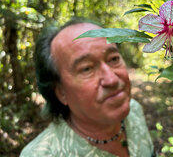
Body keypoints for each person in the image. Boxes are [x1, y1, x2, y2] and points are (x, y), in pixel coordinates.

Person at [20, 18, 155, 157]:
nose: (112, 79)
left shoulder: (134, 111)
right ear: (61, 92)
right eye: (86, 69)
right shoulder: (42, 154)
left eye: (114, 59)